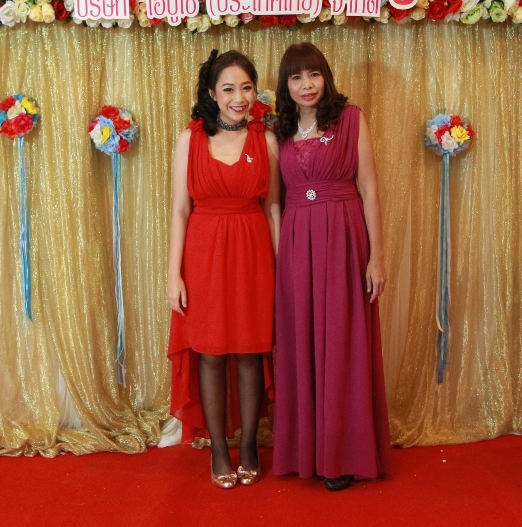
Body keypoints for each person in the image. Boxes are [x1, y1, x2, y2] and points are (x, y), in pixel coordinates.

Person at [272, 42, 390, 491]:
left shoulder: (351, 119)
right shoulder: (279, 130)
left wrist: (377, 256)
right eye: (296, 77)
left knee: (344, 340)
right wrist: (281, 256)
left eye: (314, 74)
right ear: (285, 85)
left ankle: (343, 455)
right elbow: (274, 202)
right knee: (302, 341)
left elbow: (370, 188)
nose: (307, 85)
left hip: (344, 235)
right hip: (297, 241)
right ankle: (307, 450)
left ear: (326, 77)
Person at [167, 49, 281, 489]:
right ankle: (218, 448)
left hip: (253, 254)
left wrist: (282, 269)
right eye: (229, 89)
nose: (239, 98)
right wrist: (173, 274)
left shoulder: (266, 141)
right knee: (211, 353)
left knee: (251, 352)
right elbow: (180, 210)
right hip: (204, 254)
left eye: (246, 88)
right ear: (212, 93)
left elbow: (273, 210)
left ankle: (249, 445)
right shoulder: (189, 139)